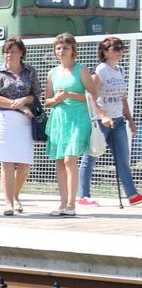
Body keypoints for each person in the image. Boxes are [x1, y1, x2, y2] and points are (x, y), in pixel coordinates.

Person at [79, 37, 141, 207]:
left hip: (118, 120)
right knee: (91, 154)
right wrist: (102, 115)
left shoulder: (120, 70)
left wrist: (130, 119)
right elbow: (91, 94)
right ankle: (83, 195)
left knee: (123, 157)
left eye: (121, 48)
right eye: (116, 48)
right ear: (105, 52)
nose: (120, 51)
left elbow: (122, 97)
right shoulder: (101, 70)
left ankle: (132, 194)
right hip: (101, 121)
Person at [44, 33, 96, 217]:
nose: (61, 50)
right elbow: (47, 101)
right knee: (59, 161)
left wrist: (71, 95)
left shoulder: (81, 69)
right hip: (59, 118)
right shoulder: (52, 73)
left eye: (65, 47)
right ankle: (62, 203)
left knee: (69, 159)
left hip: (78, 116)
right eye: (58, 47)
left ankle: (72, 204)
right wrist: (56, 99)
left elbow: (93, 96)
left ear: (73, 49)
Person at [0, 36, 41, 216]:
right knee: (8, 162)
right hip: (4, 119)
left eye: (12, 51)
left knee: (24, 164)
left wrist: (25, 100)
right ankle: (8, 202)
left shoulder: (30, 71)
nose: (8, 55)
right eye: (6, 51)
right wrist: (16, 104)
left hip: (25, 121)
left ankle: (16, 195)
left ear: (21, 53)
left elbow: (36, 95)